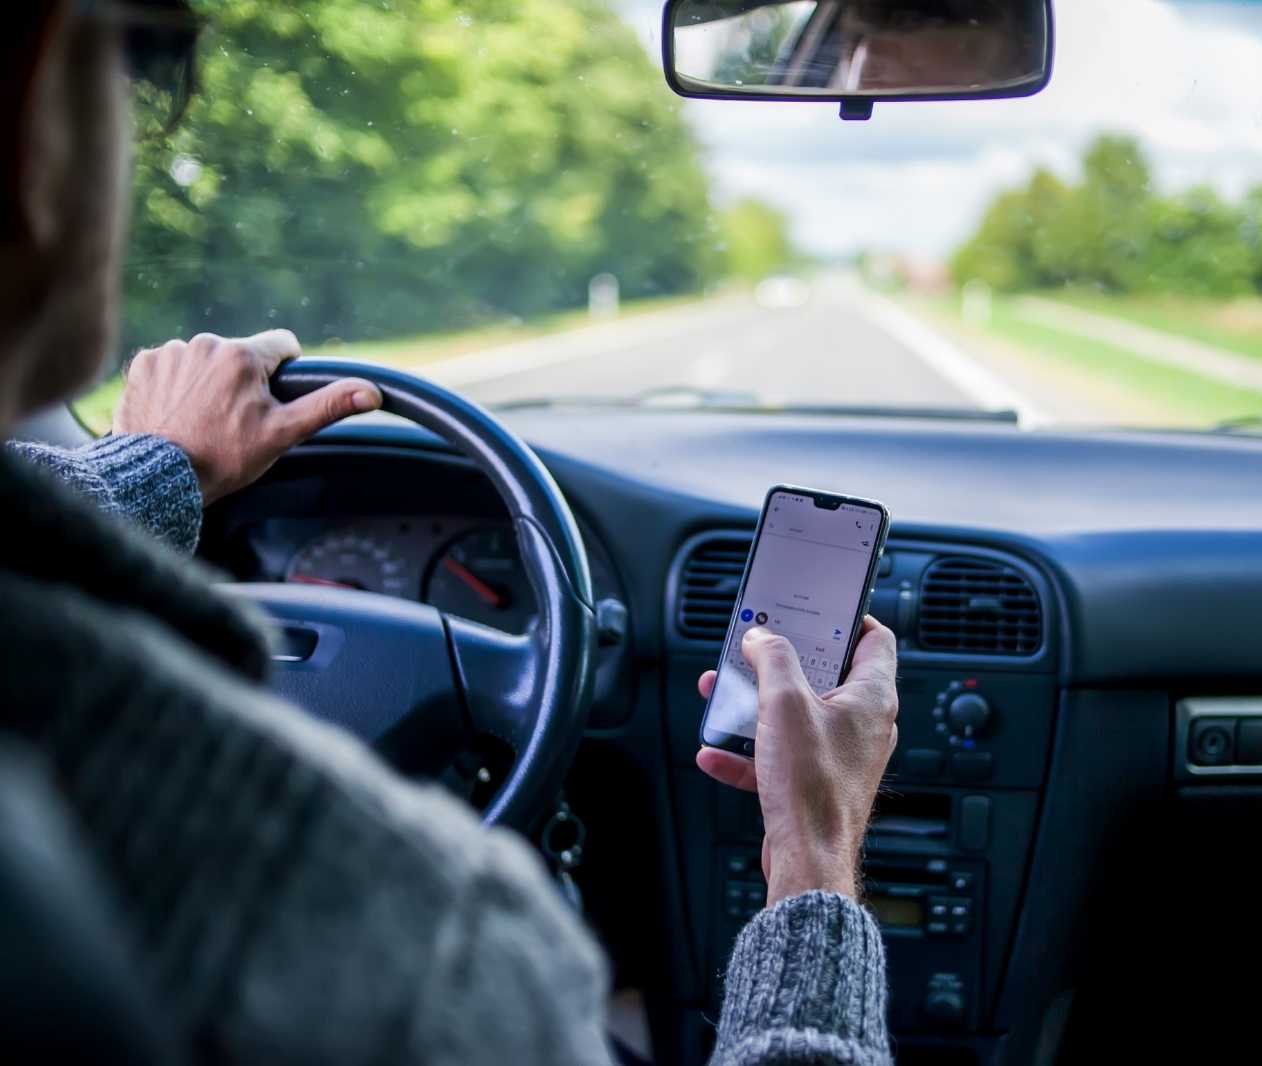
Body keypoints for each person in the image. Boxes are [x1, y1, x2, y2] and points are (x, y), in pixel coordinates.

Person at [0, 3, 899, 1063]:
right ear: (40, 94)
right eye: (151, 55)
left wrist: (159, 467)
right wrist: (813, 861)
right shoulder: (437, 960)